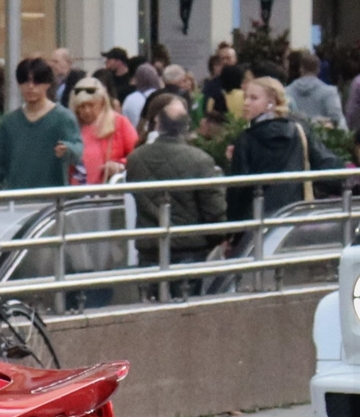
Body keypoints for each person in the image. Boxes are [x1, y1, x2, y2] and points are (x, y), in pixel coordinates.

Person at [127, 92, 226, 288]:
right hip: (189, 248)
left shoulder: (135, 158)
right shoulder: (200, 160)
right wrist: (216, 239)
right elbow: (214, 210)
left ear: (157, 122)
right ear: (186, 125)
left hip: (149, 249)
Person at [228, 74, 326, 228]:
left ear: (271, 103)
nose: (246, 103)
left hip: (258, 219)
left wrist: (231, 230)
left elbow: (238, 190)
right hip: (295, 214)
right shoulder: (298, 130)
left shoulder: (247, 138)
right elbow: (324, 164)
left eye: (253, 98)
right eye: (245, 97)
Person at [0, 56, 86, 190]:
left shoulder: (63, 118)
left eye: (37, 82)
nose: (30, 87)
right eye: (25, 81)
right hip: (17, 200)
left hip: (53, 200)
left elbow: (78, 149)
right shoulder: (10, 122)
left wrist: (68, 149)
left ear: (47, 84)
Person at [68, 76, 136, 185]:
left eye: (91, 105)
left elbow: (137, 155)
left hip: (108, 192)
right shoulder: (71, 127)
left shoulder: (120, 123)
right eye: (81, 106)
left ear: (102, 103)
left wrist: (119, 165)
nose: (87, 110)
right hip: (76, 194)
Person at [288, 50, 340, 123]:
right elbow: (336, 118)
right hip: (320, 133)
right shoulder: (330, 92)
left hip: (294, 132)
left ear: (300, 69)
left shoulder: (286, 91)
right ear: (318, 70)